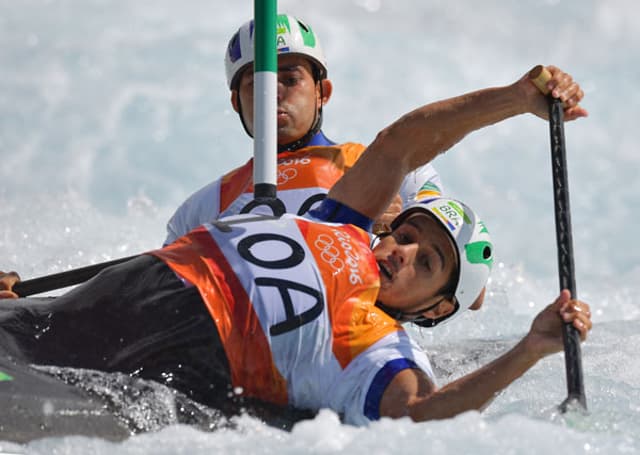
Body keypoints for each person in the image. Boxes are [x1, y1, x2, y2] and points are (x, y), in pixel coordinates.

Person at [0, 65, 590, 426]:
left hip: (193, 349)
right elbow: (400, 144)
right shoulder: (342, 222)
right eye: (407, 234)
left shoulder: (379, 346)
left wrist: (531, 348)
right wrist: (515, 99)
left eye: (427, 261)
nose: (403, 250)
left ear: (437, 308)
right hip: (144, 284)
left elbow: (418, 417)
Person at [163, 13, 444, 245]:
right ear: (236, 102)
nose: (272, 93)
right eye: (256, 84)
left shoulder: (396, 171)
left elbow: (464, 288)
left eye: (290, 79)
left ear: (323, 92)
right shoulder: (200, 211)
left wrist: (393, 235)